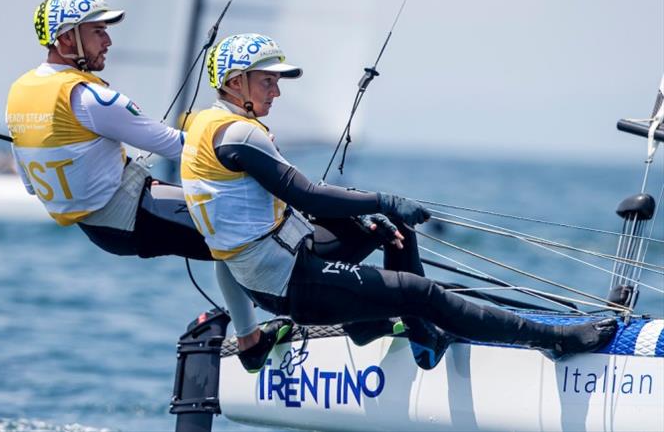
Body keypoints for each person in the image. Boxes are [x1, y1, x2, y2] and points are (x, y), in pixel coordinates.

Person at [4, 0, 394, 372]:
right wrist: (250, 158)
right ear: (66, 38)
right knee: (237, 235)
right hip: (131, 214)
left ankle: (256, 336)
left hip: (97, 225)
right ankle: (325, 325)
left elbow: (29, 181)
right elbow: (181, 147)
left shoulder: (22, 92)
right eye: (97, 31)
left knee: (230, 238)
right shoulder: (88, 97)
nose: (107, 40)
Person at [181, 33, 618, 369]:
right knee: (422, 292)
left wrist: (377, 212)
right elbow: (305, 193)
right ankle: (554, 340)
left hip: (281, 259)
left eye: (277, 82)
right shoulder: (240, 134)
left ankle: (405, 333)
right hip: (289, 282)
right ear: (237, 82)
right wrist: (386, 198)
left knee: (387, 231)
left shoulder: (207, 122)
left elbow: (288, 203)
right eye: (267, 81)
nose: (276, 92)